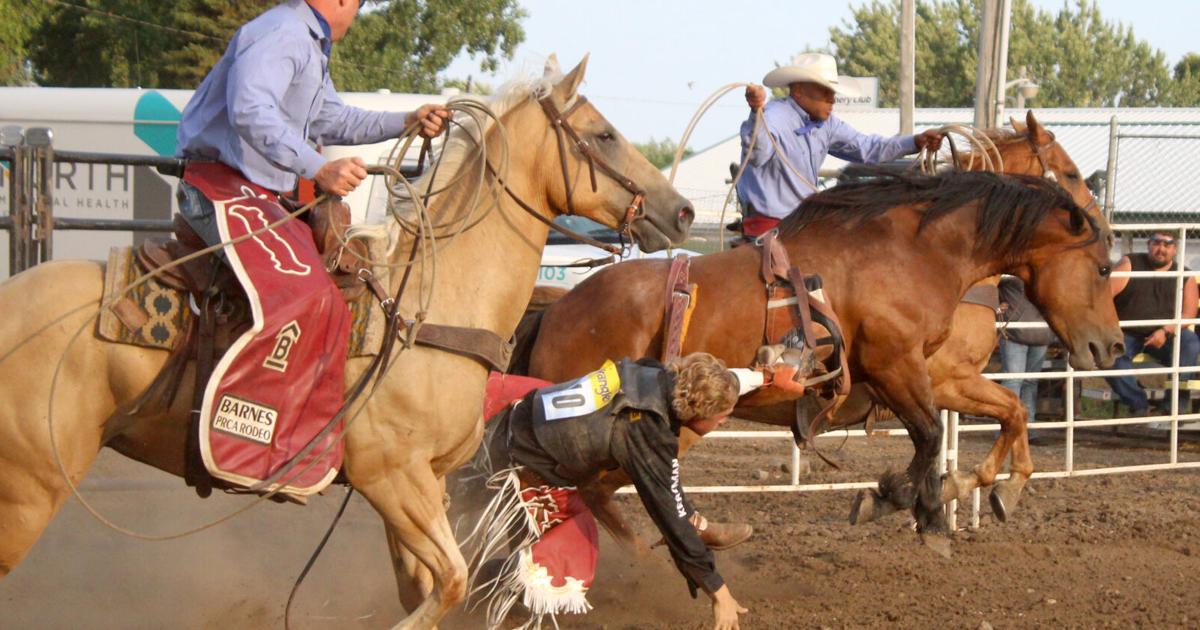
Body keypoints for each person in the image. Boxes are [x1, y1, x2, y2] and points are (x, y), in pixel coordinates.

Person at [172, 0, 449, 494]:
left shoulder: (306, 42)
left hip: (249, 191)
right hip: (220, 186)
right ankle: (249, 435)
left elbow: (331, 118)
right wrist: (315, 167)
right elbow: (249, 109)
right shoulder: (283, 32)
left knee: (335, 286)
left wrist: (405, 119)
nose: (355, 16)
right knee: (308, 294)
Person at [467, 352, 806, 630]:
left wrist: (764, 378)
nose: (724, 422)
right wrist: (719, 591)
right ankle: (485, 590)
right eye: (721, 416)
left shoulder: (661, 375)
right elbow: (669, 516)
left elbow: (721, 379)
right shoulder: (647, 433)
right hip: (523, 462)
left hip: (523, 409)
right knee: (567, 562)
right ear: (698, 412)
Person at [736, 53, 943, 238]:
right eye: (825, 91)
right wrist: (756, 113)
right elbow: (757, 155)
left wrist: (915, 142)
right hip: (769, 227)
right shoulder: (775, 117)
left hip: (803, 222)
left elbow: (867, 147)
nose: (832, 99)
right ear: (798, 90)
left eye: (833, 92)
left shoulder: (827, 124)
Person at [1105, 231, 1200, 418]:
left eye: (1167, 244)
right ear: (1148, 244)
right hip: (1126, 332)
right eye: (1156, 243)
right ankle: (1138, 404)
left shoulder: (1184, 275)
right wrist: (1111, 328)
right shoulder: (1129, 265)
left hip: (1164, 334)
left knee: (1190, 343)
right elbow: (1104, 297)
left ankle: (1173, 406)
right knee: (1109, 355)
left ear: (1175, 249)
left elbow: (1188, 313)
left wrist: (1165, 331)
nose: (1161, 249)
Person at [998, 276, 1058, 443]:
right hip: (1017, 333)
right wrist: (996, 307)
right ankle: (1009, 428)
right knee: (1014, 381)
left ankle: (1026, 429)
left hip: (1039, 334)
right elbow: (990, 283)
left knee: (1026, 382)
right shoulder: (1010, 271)